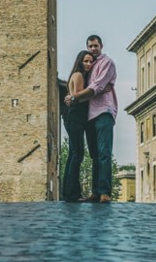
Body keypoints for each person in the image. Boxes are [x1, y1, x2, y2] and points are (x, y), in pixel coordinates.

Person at [66, 35, 117, 203]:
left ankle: (104, 192)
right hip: (89, 115)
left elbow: (97, 87)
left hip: (103, 111)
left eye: (96, 46)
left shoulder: (106, 63)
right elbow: (85, 87)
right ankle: (95, 191)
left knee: (104, 153)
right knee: (94, 154)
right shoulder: (89, 67)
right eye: (90, 46)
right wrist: (73, 95)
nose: (93, 49)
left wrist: (74, 98)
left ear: (101, 46)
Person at [61, 50, 94, 202]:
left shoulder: (74, 75)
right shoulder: (79, 75)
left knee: (73, 154)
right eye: (86, 61)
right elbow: (77, 98)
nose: (88, 64)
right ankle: (73, 194)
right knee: (77, 154)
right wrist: (95, 92)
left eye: (90, 61)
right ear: (80, 62)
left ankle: (68, 193)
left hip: (71, 118)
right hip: (75, 118)